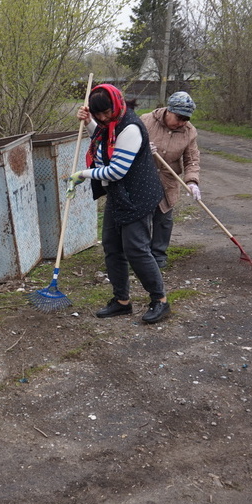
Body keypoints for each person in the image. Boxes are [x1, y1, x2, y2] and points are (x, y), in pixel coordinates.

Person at [70, 84, 170, 324]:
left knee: (136, 249)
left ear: (116, 105)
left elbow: (116, 170)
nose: (103, 118)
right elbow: (102, 139)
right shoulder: (109, 126)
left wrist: (82, 174)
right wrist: (89, 124)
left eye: (106, 113)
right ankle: (122, 301)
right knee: (112, 248)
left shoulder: (130, 128)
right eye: (98, 115)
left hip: (137, 196)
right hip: (119, 195)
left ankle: (160, 301)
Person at [140, 91, 201, 268]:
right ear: (168, 110)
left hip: (168, 181)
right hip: (143, 179)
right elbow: (125, 145)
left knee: (164, 219)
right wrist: (142, 148)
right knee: (140, 220)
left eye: (186, 118)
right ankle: (140, 256)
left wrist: (192, 181)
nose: (182, 122)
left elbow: (192, 159)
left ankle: (158, 256)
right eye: (179, 117)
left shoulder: (189, 132)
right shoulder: (145, 121)